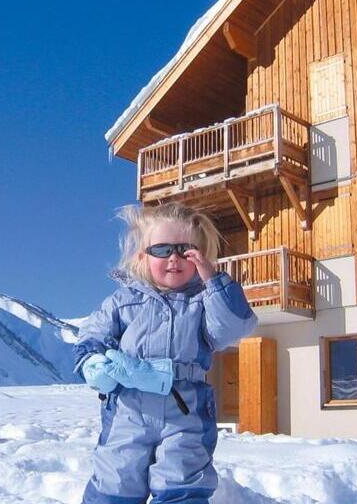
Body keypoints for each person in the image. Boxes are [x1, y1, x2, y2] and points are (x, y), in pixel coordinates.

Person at [73, 201, 257, 503]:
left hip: (185, 412)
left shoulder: (204, 301)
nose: (174, 258)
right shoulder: (122, 301)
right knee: (116, 479)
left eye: (186, 250)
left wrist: (214, 281)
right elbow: (92, 336)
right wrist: (94, 364)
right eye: (161, 250)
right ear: (142, 257)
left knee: (182, 481)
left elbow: (235, 328)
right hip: (129, 411)